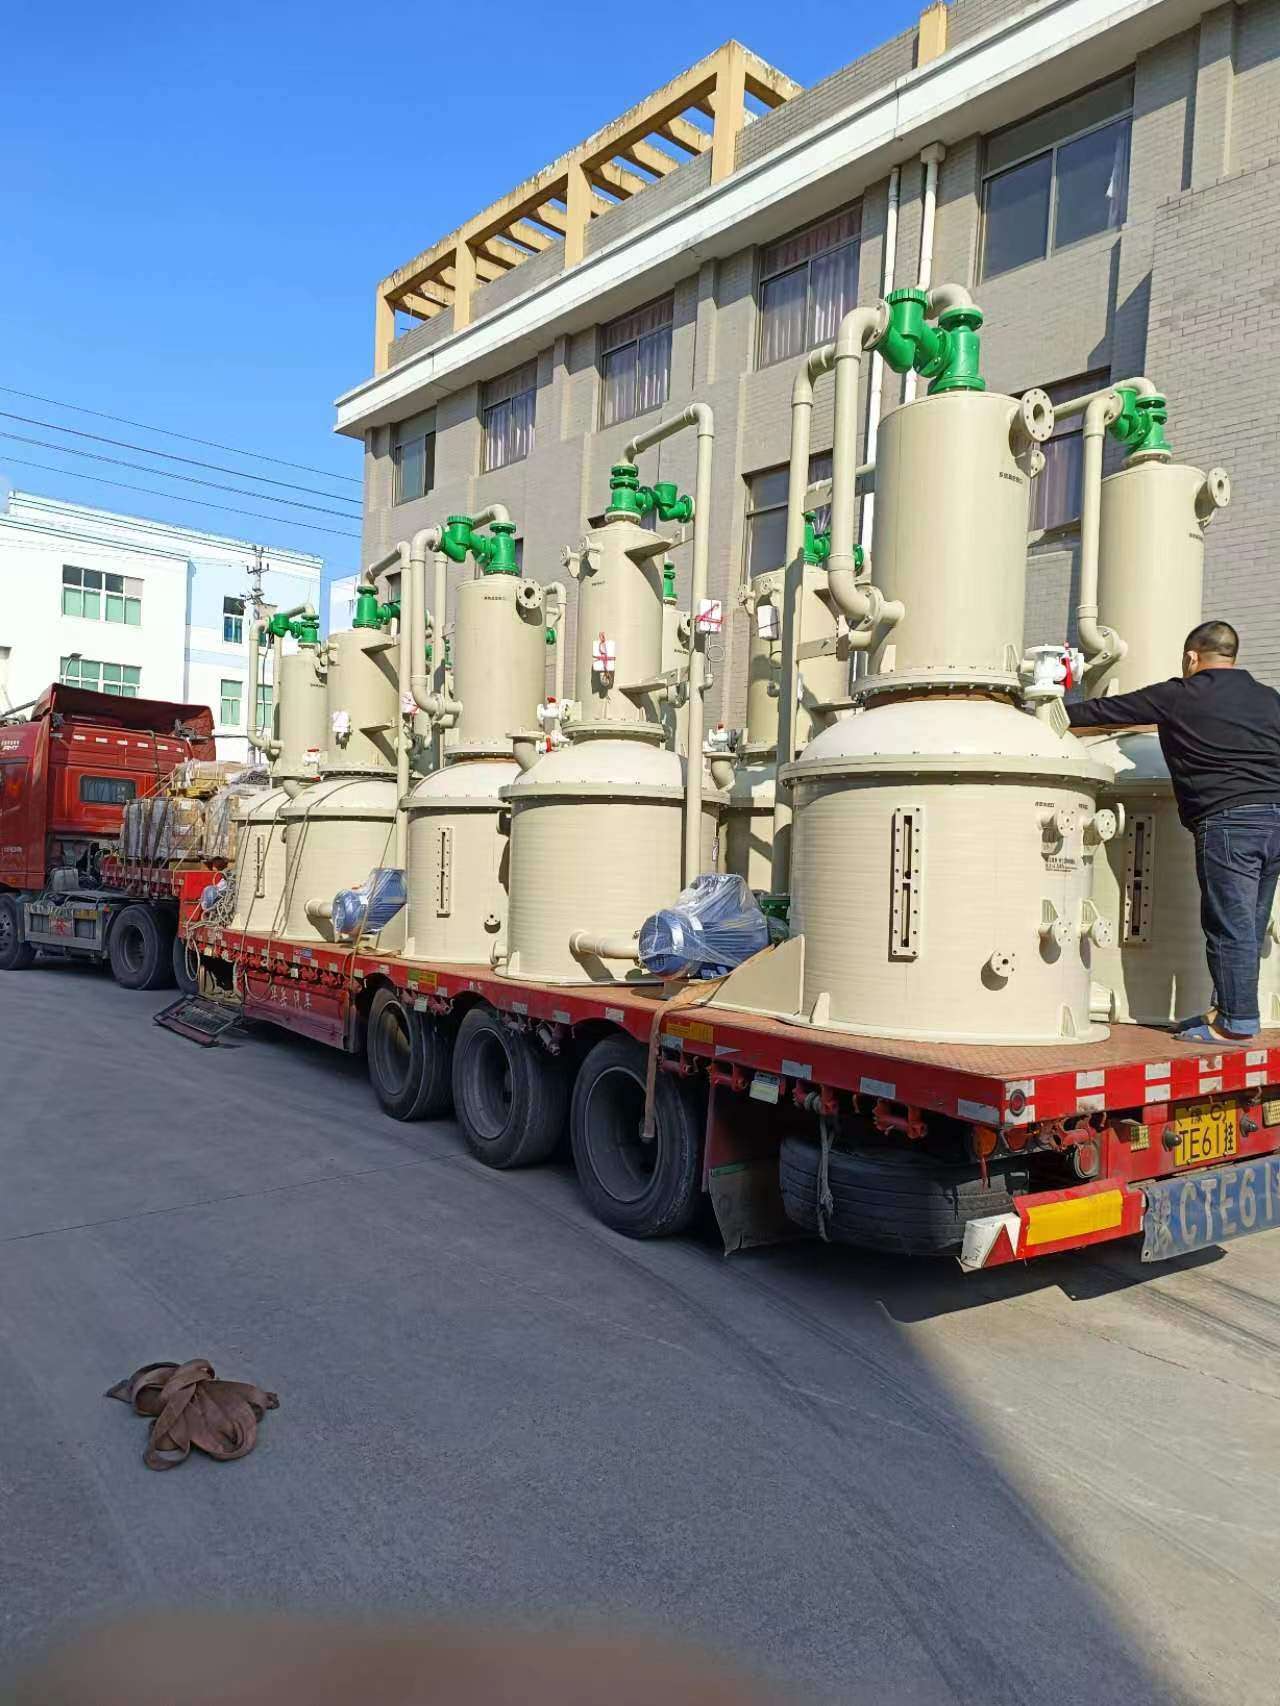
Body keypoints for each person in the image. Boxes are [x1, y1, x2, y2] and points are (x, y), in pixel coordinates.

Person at [1067, 620, 1280, 1045]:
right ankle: (1226, 1007)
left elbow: (1103, 712)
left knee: (1228, 925)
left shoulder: (1180, 695)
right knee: (1250, 925)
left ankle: (1235, 1023)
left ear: (1191, 657)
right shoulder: (1270, 699)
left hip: (1229, 822)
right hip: (1275, 820)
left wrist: (1045, 712)